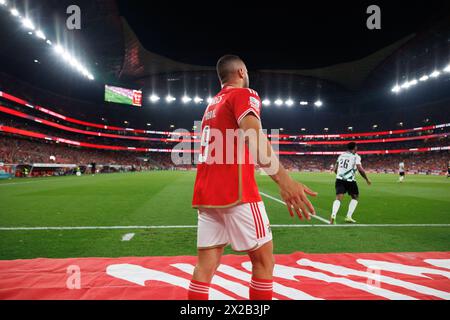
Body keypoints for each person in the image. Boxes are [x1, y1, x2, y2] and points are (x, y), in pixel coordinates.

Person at [190, 55, 317, 300]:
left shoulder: (210, 106)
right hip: (237, 192)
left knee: (205, 267)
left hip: (206, 194)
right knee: (264, 262)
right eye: (246, 71)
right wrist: (285, 181)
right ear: (240, 71)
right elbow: (254, 137)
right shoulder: (244, 94)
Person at [330, 142, 371, 224]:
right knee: (355, 197)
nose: (357, 148)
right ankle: (348, 216)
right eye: (356, 147)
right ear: (354, 148)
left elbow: (335, 169)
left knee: (338, 198)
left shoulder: (341, 155)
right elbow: (360, 169)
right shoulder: (356, 157)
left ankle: (333, 215)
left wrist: (340, 175)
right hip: (350, 181)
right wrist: (367, 179)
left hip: (339, 179)